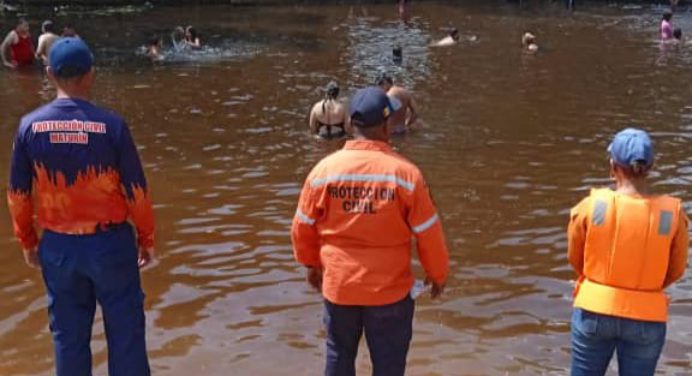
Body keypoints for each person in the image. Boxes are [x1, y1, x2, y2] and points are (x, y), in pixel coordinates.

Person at [7, 38, 155, 376]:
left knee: (68, 339)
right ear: (91, 74)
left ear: (48, 74)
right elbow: (137, 191)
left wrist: (28, 241)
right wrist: (146, 238)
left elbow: (17, 193)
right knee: (127, 336)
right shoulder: (111, 126)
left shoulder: (30, 127)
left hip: (58, 247)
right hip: (111, 245)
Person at [292, 86, 449, 376]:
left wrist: (312, 265)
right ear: (387, 126)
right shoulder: (406, 175)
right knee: (389, 366)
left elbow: (302, 226)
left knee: (338, 355)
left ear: (351, 124)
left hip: (340, 286)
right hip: (389, 293)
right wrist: (437, 275)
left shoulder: (324, 171)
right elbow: (429, 233)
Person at [567, 128, 689, 376]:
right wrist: (649, 287)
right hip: (647, 316)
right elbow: (676, 270)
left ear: (613, 166)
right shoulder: (671, 215)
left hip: (595, 308)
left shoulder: (592, 206)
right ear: (651, 166)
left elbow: (575, 257)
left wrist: (596, 280)